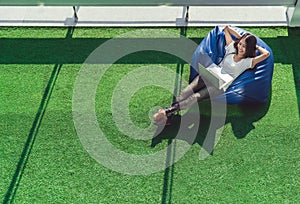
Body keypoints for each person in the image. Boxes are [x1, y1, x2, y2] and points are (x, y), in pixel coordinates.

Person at [153, 25, 270, 126]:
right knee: (185, 92)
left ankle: (167, 112)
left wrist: (255, 47)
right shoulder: (231, 50)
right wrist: (241, 38)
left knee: (195, 97)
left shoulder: (248, 62)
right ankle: (168, 116)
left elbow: (266, 54)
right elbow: (227, 29)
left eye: (244, 46)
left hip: (219, 86)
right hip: (209, 74)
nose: (240, 47)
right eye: (240, 44)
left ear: (249, 49)